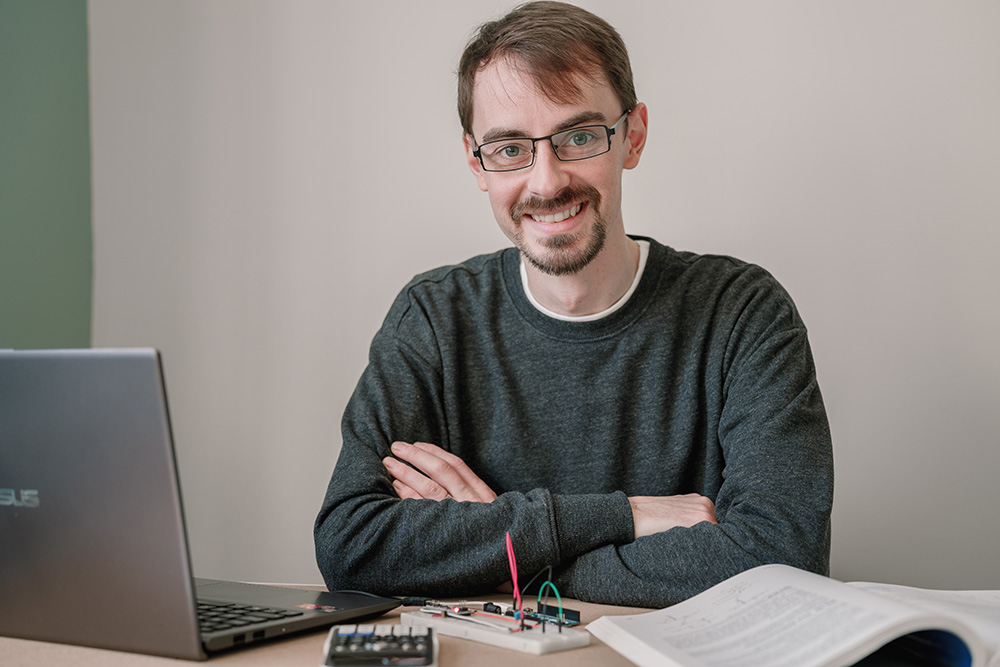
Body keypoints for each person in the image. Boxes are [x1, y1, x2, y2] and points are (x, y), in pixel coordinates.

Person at [315, 0, 833, 608]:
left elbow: (779, 557)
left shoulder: (743, 314)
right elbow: (352, 546)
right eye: (510, 148)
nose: (546, 181)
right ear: (476, 162)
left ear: (632, 136)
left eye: (579, 137)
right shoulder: (433, 319)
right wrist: (624, 516)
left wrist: (503, 551)